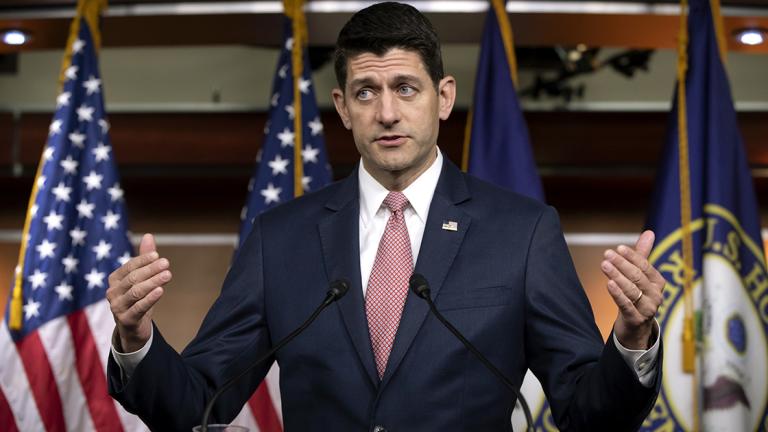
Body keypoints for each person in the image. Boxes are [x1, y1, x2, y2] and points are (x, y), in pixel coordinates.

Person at [107, 3, 665, 431]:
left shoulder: (521, 232)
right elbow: (198, 402)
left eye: (405, 88)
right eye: (366, 92)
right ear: (343, 106)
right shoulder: (280, 239)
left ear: (443, 98)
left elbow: (589, 413)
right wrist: (136, 339)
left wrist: (633, 338)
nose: (388, 112)